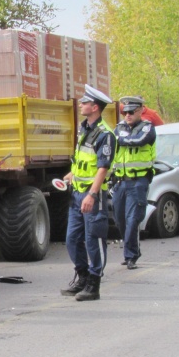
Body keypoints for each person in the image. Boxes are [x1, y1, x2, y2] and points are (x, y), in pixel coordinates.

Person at [60, 84, 116, 301]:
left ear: (95, 107)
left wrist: (92, 195)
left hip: (93, 195)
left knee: (95, 239)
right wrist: (71, 175)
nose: (81, 105)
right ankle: (82, 277)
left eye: (84, 102)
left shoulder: (105, 134)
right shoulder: (85, 128)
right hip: (77, 193)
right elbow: (83, 160)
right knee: (72, 239)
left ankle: (94, 284)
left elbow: (103, 167)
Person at [112, 96, 157, 270]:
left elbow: (138, 140)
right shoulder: (119, 127)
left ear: (140, 111)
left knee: (132, 220)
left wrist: (121, 140)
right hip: (120, 182)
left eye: (131, 112)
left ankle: (131, 256)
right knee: (119, 220)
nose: (127, 115)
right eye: (125, 112)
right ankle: (132, 249)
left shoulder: (147, 128)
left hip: (139, 181)